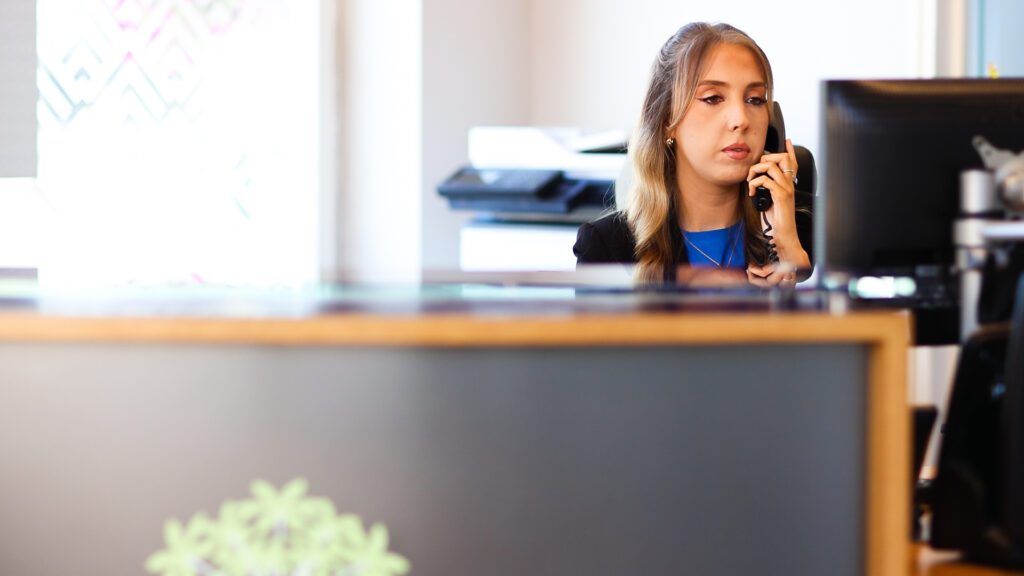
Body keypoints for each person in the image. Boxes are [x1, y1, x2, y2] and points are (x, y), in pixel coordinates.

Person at [573, 22, 813, 286]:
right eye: (712, 98)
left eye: (755, 99)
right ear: (667, 120)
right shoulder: (608, 246)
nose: (741, 119)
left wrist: (789, 249)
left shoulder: (817, 228)